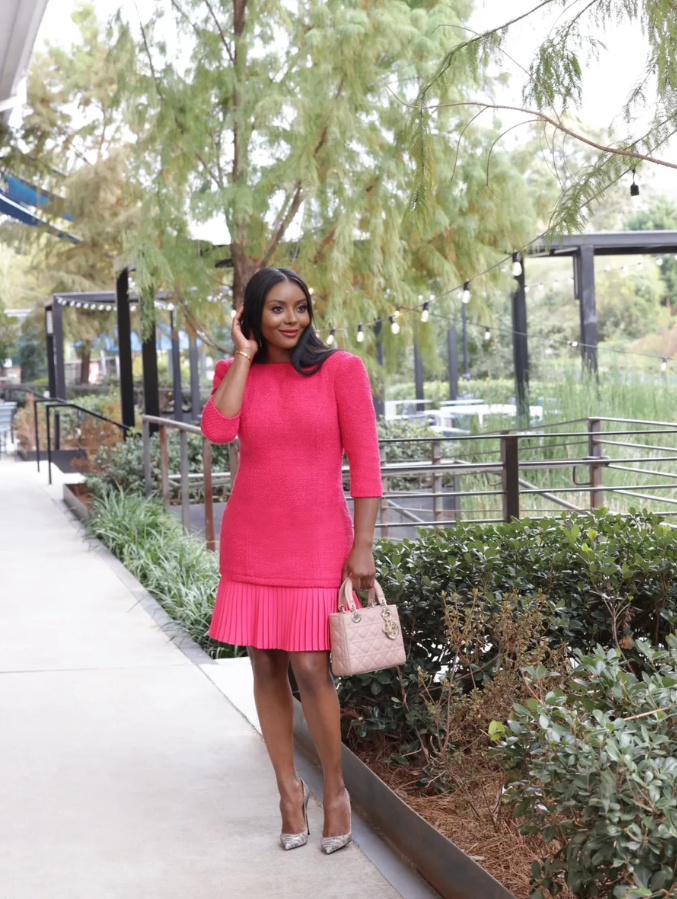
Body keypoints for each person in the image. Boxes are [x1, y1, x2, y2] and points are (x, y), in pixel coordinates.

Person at [200, 266, 382, 855]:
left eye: (299, 307)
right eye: (276, 309)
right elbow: (217, 430)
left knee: (309, 666)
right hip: (253, 540)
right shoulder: (236, 372)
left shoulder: (340, 370)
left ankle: (334, 789)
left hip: (318, 542)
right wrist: (244, 358)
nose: (291, 319)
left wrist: (363, 544)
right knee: (264, 666)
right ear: (253, 315)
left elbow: (368, 467)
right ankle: (287, 791)